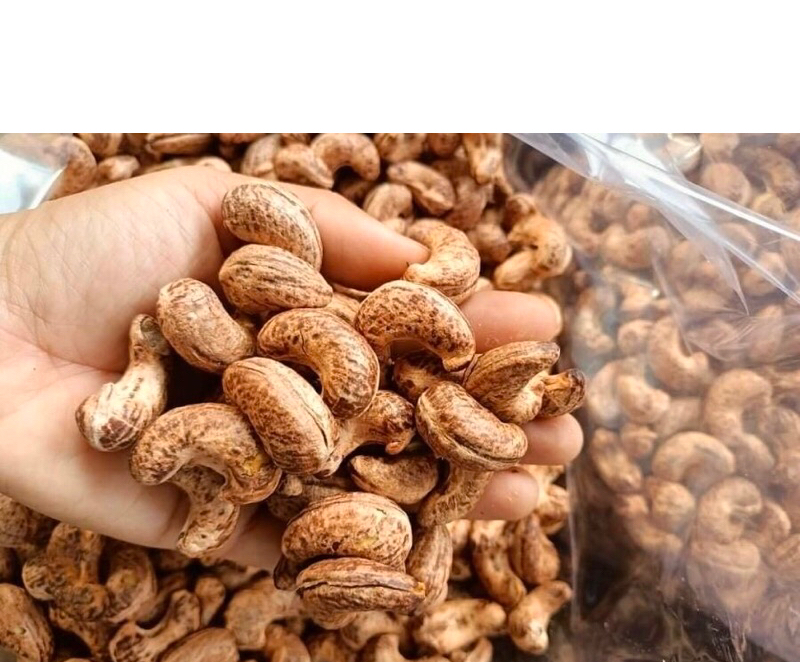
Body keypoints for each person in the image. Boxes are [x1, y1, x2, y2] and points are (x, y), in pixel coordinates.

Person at [0, 166, 583, 568]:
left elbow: (293, 362)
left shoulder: (345, 374)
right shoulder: (276, 339)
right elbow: (260, 344)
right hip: (284, 384)